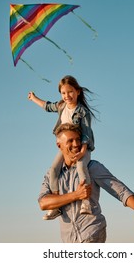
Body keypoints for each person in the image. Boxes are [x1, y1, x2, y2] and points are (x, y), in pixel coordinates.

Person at [38, 123, 134, 242]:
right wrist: (76, 195)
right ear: (59, 145)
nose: (76, 144)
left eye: (78, 140)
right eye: (70, 141)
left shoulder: (92, 167)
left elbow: (120, 191)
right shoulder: (52, 174)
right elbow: (43, 203)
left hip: (92, 233)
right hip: (68, 240)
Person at [28, 75, 97, 220]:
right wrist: (34, 98)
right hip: (66, 149)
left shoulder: (83, 112)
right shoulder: (61, 106)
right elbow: (47, 106)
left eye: (70, 92)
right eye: (63, 93)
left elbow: (86, 134)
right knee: (53, 170)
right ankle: (56, 206)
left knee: (81, 167)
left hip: (82, 147)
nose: (67, 96)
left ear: (77, 91)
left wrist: (83, 151)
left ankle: (86, 202)